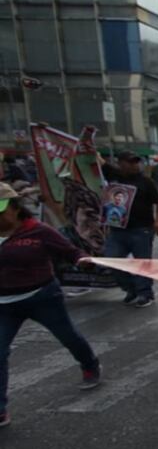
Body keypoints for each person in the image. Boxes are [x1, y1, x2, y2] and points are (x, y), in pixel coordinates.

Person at [1, 182, 102, 428]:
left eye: (1, 210)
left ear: (14, 208)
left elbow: (70, 251)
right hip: (4, 304)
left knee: (69, 337)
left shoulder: (37, 230)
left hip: (42, 297)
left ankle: (89, 364)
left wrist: (82, 260)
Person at [101, 151, 158, 308]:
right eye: (131, 162)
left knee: (142, 263)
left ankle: (145, 293)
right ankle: (130, 288)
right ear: (121, 163)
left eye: (137, 162)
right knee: (112, 260)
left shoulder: (146, 182)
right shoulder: (113, 175)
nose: (135, 165)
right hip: (117, 229)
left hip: (141, 229)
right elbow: (94, 157)